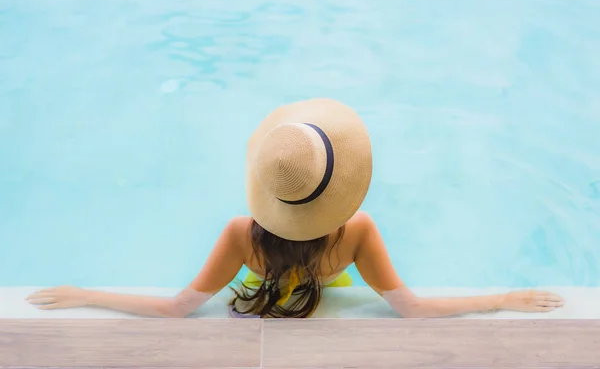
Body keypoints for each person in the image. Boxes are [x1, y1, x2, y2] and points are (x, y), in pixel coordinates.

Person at [27, 98, 564, 318]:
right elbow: (413, 310)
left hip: (272, 273)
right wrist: (504, 297)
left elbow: (176, 309)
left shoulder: (242, 235)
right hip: (327, 275)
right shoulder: (357, 232)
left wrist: (85, 294)